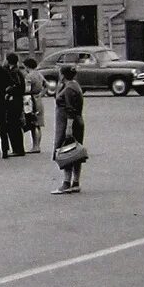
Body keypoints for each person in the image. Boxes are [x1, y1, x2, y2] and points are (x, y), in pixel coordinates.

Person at [52, 64, 86, 194]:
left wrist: (69, 128)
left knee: (66, 151)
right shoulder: (73, 85)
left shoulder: (68, 89)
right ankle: (75, 182)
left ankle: (66, 183)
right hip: (75, 122)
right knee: (75, 152)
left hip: (67, 123)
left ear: (63, 74)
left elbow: (70, 109)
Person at [4, 52, 27, 157]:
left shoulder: (14, 72)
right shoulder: (17, 71)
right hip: (17, 100)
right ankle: (18, 148)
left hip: (14, 101)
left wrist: (8, 91)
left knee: (13, 124)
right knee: (15, 124)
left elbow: (16, 85)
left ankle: (17, 149)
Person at [22, 57, 46, 153]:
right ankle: (37, 145)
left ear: (27, 66)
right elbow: (46, 85)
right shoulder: (39, 74)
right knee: (38, 123)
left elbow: (27, 89)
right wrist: (42, 93)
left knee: (33, 123)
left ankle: (35, 146)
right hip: (38, 98)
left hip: (31, 99)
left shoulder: (29, 76)